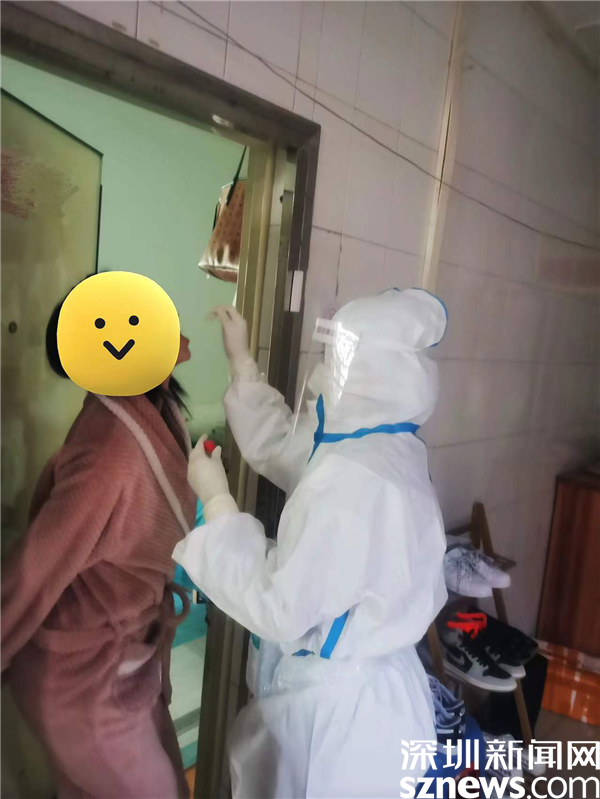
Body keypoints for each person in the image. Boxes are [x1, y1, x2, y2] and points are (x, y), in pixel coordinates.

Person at [174, 287, 449, 798]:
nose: (323, 372)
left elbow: (279, 605)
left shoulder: (354, 481)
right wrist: (241, 364)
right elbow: (285, 444)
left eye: (335, 358)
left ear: (366, 374)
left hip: (338, 728)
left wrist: (217, 502)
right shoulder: (383, 443)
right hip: (372, 694)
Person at [1, 297, 196, 799]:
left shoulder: (157, 407)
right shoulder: (112, 454)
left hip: (127, 659)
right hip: (82, 680)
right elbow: (34, 570)